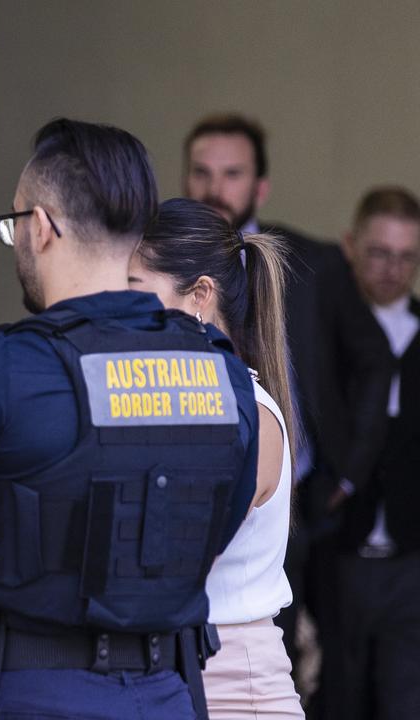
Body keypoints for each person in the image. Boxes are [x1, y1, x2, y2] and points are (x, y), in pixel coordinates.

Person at [0, 118, 259, 720]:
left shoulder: (1, 369)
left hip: (31, 697)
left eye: (14, 225)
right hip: (170, 697)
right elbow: (208, 540)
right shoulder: (222, 375)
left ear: (40, 228)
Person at [183, 115, 392, 711]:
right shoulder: (160, 267)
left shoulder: (315, 263)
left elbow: (376, 361)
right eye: (200, 171)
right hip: (197, 507)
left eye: (231, 173)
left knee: (314, 668)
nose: (213, 188)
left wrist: (347, 472)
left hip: (305, 500)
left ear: (260, 187)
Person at [129, 197, 304, 718]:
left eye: (135, 291)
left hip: (231, 682)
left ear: (201, 295)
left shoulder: (245, 411)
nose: (118, 311)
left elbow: (168, 551)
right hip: (167, 672)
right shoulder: (177, 404)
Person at [336, 186, 420, 719]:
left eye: (407, 256)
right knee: (335, 696)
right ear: (351, 246)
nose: (392, 268)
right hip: (338, 553)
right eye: (379, 252)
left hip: (412, 559)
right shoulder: (325, 334)